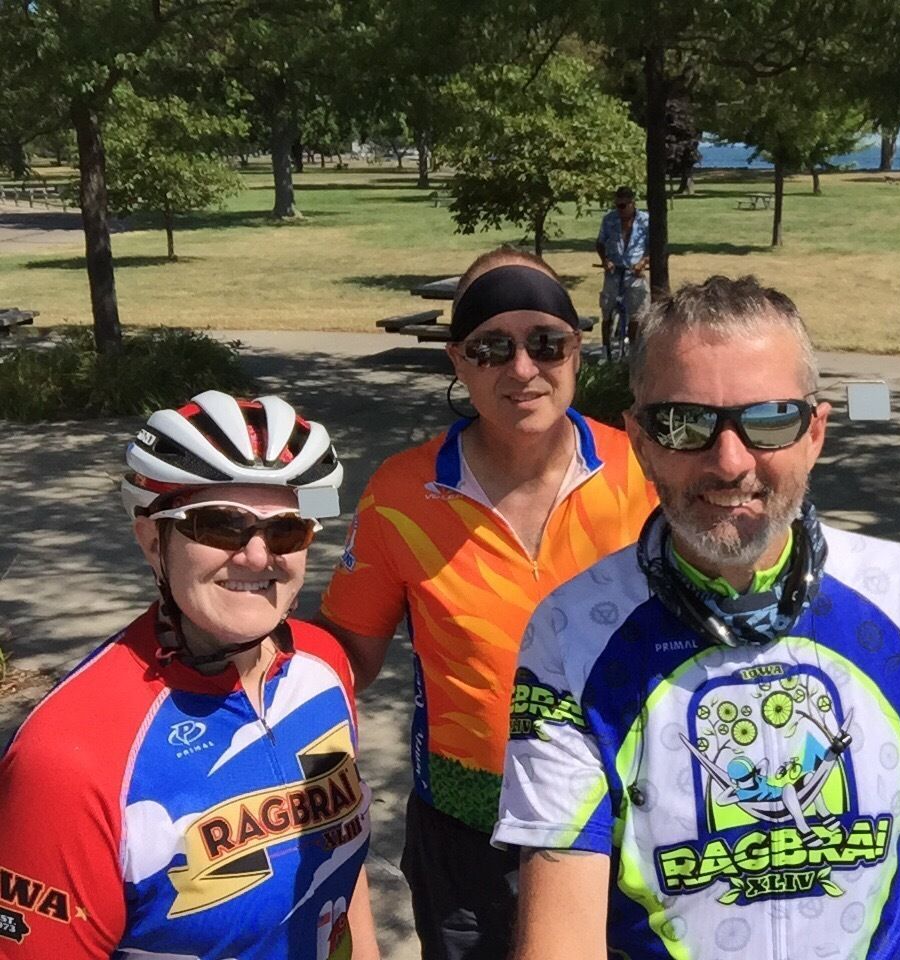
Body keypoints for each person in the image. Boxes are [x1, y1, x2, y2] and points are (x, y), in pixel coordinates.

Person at [493, 275, 900, 960]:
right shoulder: (573, 631)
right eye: (684, 424)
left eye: (769, 420)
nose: (730, 462)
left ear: (816, 432)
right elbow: (561, 931)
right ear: (640, 440)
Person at [317, 248, 657, 960]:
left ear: (577, 347)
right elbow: (346, 654)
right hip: (468, 838)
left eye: (546, 343)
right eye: (491, 348)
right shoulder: (401, 492)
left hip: (632, 823)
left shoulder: (646, 469)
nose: (522, 368)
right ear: (458, 360)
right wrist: (235, 646)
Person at [0, 391, 376, 959]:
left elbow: (339, 859)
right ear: (153, 542)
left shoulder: (325, 664)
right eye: (220, 526)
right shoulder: (67, 759)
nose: (257, 556)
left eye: (286, 531)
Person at [595, 185, 650, 356]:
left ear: (632, 204)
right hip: (614, 271)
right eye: (617, 205)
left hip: (634, 271)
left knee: (638, 312)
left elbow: (653, 245)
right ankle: (606, 349)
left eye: (623, 205)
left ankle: (633, 350)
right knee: (607, 308)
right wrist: (605, 261)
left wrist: (643, 262)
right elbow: (600, 243)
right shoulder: (609, 219)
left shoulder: (645, 221)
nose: (620, 209)